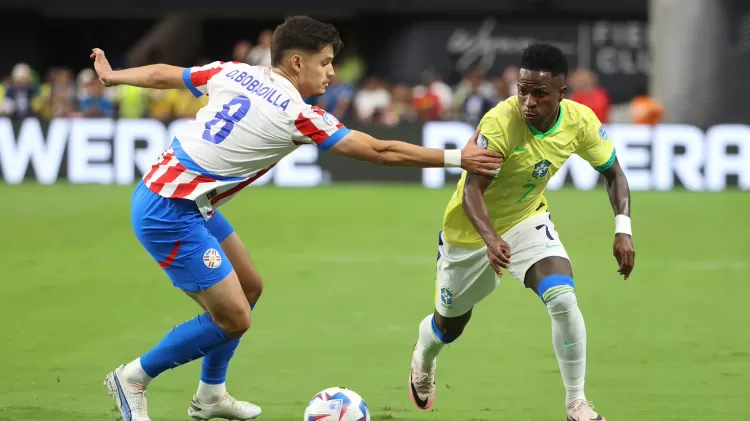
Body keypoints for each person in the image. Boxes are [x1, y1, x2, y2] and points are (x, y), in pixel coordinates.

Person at [90, 15, 503, 421]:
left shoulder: (233, 72)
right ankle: (133, 377)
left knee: (250, 286)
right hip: (169, 212)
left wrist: (115, 76)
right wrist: (456, 157)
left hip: (179, 197)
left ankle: (211, 396)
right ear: (297, 63)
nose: (331, 72)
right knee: (234, 318)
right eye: (325, 62)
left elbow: (168, 74)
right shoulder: (297, 114)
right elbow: (380, 151)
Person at [406, 43, 635, 421]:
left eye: (540, 93)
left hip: (527, 220)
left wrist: (622, 229)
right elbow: (472, 192)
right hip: (469, 233)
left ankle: (577, 403)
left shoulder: (580, 122)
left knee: (562, 297)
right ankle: (423, 354)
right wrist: (490, 238)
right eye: (523, 90)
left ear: (562, 93)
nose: (528, 101)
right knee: (449, 325)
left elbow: (613, 173)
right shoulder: (500, 122)